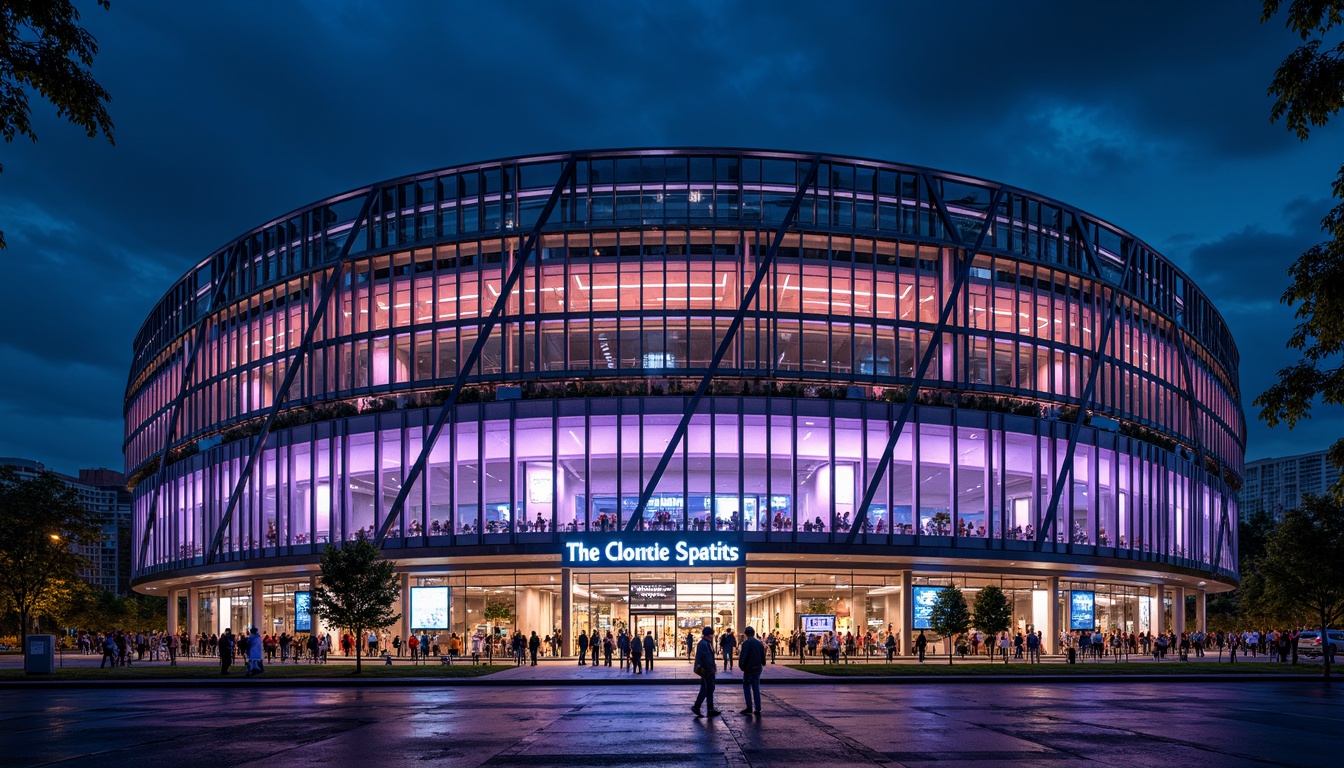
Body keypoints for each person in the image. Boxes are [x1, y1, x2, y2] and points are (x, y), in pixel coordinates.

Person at [692, 627, 720, 717]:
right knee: (706, 689)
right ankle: (698, 706)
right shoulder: (704, 644)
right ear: (709, 635)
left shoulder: (706, 643)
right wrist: (711, 668)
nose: (712, 636)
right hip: (706, 670)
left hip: (707, 670)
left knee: (709, 689)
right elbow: (706, 657)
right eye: (711, 634)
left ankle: (709, 708)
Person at [737, 626, 766, 715]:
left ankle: (749, 706)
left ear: (746, 634)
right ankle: (758, 707)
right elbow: (763, 656)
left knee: (746, 686)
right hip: (757, 668)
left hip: (749, 669)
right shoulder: (759, 643)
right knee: (756, 687)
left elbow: (744, 656)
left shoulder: (745, 644)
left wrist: (742, 666)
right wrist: (763, 663)